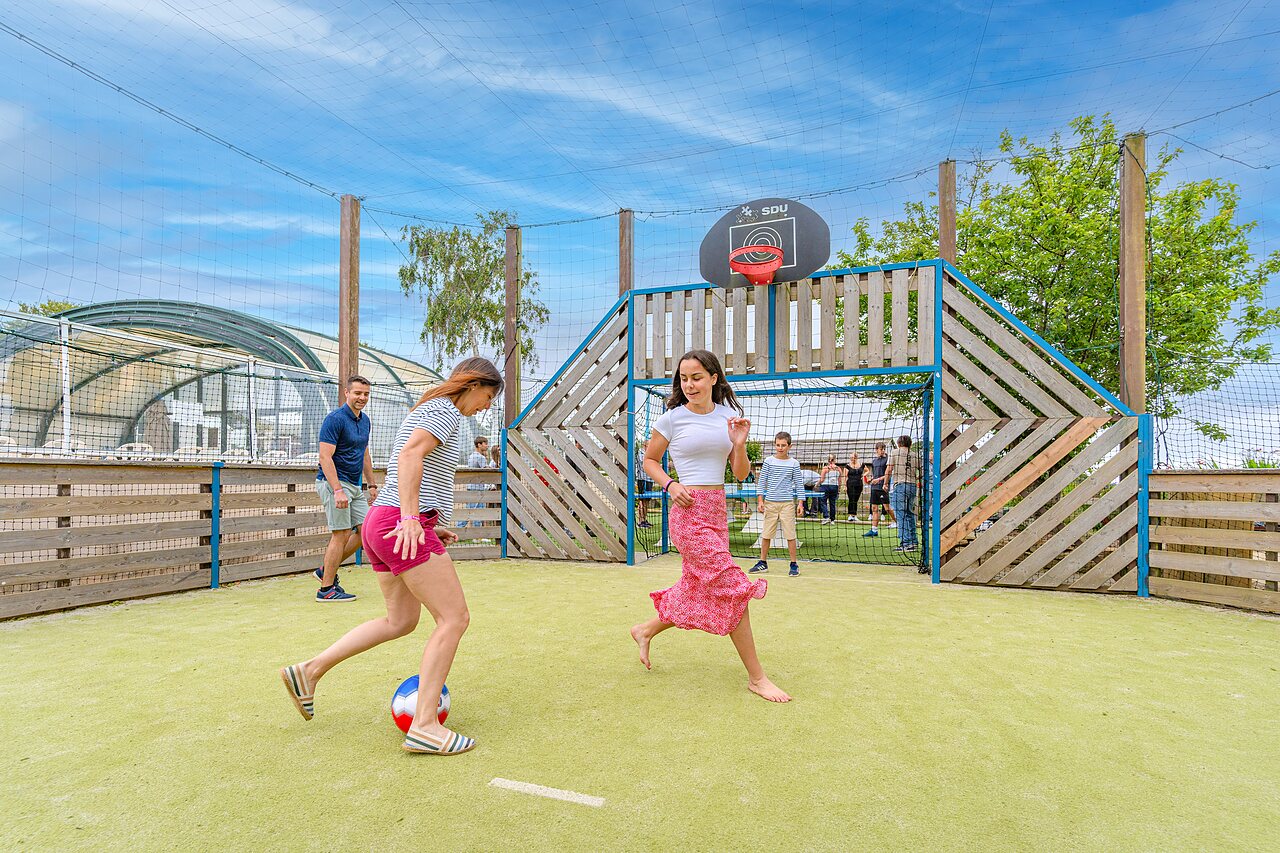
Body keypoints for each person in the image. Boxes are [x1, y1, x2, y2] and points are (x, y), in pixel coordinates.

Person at [280, 357, 503, 755]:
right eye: (488, 396)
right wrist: (412, 518)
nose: (487, 406)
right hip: (398, 523)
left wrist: (426, 520)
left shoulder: (432, 408)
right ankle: (425, 726)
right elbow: (409, 457)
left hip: (382, 522)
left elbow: (414, 466)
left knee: (400, 621)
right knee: (454, 619)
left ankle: (309, 671)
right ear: (472, 385)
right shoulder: (445, 411)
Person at [629, 349, 790, 703]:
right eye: (684, 378)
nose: (689, 385)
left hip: (716, 511)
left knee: (697, 589)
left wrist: (739, 445)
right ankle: (757, 678)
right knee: (733, 586)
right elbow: (650, 460)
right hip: (687, 513)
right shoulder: (671, 419)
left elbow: (741, 473)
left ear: (714, 378)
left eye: (697, 377)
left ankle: (645, 630)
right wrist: (670, 485)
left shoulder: (728, 418)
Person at [314, 375, 377, 602]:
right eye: (358, 393)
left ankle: (325, 570)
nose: (362, 397)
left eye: (366, 394)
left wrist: (372, 484)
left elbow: (364, 454)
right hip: (334, 484)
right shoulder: (335, 419)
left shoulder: (365, 421)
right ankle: (326, 590)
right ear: (346, 393)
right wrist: (337, 489)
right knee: (341, 534)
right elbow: (325, 456)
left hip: (355, 485)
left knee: (366, 530)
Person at [749, 431, 804, 576]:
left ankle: (794, 564)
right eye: (778, 445)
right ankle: (762, 562)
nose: (780, 448)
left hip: (787, 504)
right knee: (766, 534)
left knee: (790, 534)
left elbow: (799, 484)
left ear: (789, 446)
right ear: (775, 445)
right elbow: (762, 482)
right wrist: (760, 501)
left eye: (783, 445)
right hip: (770, 503)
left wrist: (800, 503)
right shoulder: (769, 461)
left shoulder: (794, 463)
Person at [885, 435, 919, 554]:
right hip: (912, 486)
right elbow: (920, 471)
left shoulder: (895, 452)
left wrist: (885, 483)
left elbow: (889, 470)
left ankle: (905, 543)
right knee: (909, 514)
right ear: (910, 444)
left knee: (901, 515)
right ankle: (913, 542)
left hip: (900, 484)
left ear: (899, 443)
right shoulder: (915, 455)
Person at [862, 441, 897, 538]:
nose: (883, 451)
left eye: (884, 449)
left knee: (887, 508)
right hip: (874, 487)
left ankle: (898, 523)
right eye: (881, 449)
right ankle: (874, 530)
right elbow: (875, 474)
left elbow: (888, 474)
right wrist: (871, 479)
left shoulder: (888, 460)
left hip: (883, 487)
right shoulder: (874, 461)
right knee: (874, 508)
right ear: (876, 450)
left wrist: (879, 480)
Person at [459, 436, 493, 528]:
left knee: (471, 510)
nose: (487, 446)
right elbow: (486, 470)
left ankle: (460, 527)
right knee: (476, 511)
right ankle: (464, 528)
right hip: (477, 488)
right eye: (485, 444)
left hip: (471, 486)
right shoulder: (480, 457)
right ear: (479, 445)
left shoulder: (472, 455)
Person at [635, 440, 654, 529]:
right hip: (643, 479)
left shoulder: (648, 454)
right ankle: (640, 521)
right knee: (642, 500)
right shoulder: (641, 454)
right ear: (644, 445)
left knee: (646, 501)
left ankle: (644, 519)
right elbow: (647, 466)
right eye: (649, 445)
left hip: (649, 479)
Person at [842, 451, 865, 522]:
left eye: (853, 457)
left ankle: (854, 515)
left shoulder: (861, 464)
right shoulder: (847, 466)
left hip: (859, 484)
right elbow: (844, 476)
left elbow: (867, 470)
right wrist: (845, 486)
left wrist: (864, 475)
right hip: (850, 484)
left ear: (856, 458)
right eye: (851, 457)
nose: (851, 459)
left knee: (856, 500)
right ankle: (851, 515)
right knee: (851, 499)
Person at [819, 454, 841, 525]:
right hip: (835, 486)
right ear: (835, 460)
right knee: (832, 503)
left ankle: (826, 517)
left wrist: (817, 484)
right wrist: (839, 489)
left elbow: (822, 479)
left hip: (825, 486)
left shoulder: (825, 468)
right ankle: (832, 520)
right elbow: (839, 481)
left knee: (823, 501)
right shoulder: (838, 469)